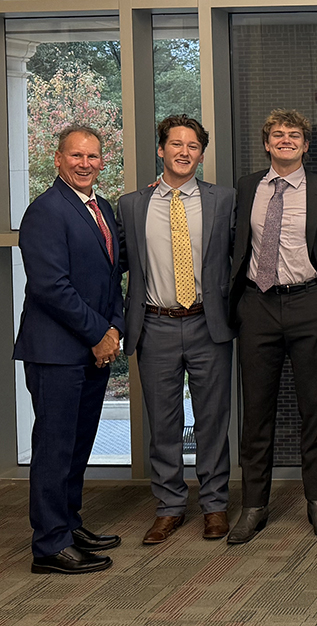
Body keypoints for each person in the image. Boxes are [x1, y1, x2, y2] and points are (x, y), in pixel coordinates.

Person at [226, 109, 317, 544]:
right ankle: (254, 507)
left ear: (304, 145)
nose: (285, 140)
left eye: (293, 135)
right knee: (256, 413)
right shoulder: (247, 188)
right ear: (266, 144)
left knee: (315, 409)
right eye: (277, 135)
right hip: (257, 306)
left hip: (309, 305)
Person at [116, 115, 236, 544]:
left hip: (209, 323)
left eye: (193, 146)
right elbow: (121, 263)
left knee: (212, 420)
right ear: (161, 150)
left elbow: (238, 258)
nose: (184, 152)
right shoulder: (132, 205)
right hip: (155, 325)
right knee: (162, 424)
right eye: (176, 144)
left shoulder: (224, 200)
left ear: (201, 154)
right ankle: (168, 507)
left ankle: (215, 506)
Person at [14, 125, 124, 574]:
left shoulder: (102, 207)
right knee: (54, 448)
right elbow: (50, 287)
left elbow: (112, 275)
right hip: (57, 352)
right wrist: (99, 333)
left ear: (102, 162)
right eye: (76, 156)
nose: (85, 164)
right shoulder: (44, 211)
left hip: (92, 349)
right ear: (58, 159)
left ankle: (68, 523)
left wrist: (114, 328)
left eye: (93, 157)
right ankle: (49, 545)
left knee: (78, 447)